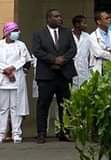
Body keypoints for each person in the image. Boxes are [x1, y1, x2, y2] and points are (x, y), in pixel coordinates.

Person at [31, 8, 77, 144]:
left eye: (60, 16)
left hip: (64, 74)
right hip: (46, 74)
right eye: (56, 16)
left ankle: (65, 132)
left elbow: (73, 49)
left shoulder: (67, 32)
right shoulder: (39, 34)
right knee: (43, 104)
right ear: (49, 18)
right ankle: (41, 133)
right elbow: (37, 51)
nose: (59, 18)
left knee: (65, 105)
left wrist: (63, 59)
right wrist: (53, 59)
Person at [0, 22, 33, 144]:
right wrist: (5, 70)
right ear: (7, 33)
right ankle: (0, 134)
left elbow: (25, 59)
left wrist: (13, 68)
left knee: (16, 108)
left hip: (17, 79)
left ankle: (16, 133)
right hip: (2, 80)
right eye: (15, 30)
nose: (17, 33)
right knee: (2, 108)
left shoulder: (21, 45)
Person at [88, 10, 111, 75]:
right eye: (106, 18)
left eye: (109, 18)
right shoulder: (92, 36)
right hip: (99, 67)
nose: (109, 20)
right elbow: (98, 53)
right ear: (99, 21)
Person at [71, 15, 94, 87]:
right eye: (84, 23)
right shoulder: (68, 35)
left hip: (83, 69)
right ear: (77, 24)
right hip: (71, 69)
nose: (86, 25)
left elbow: (92, 52)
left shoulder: (87, 36)